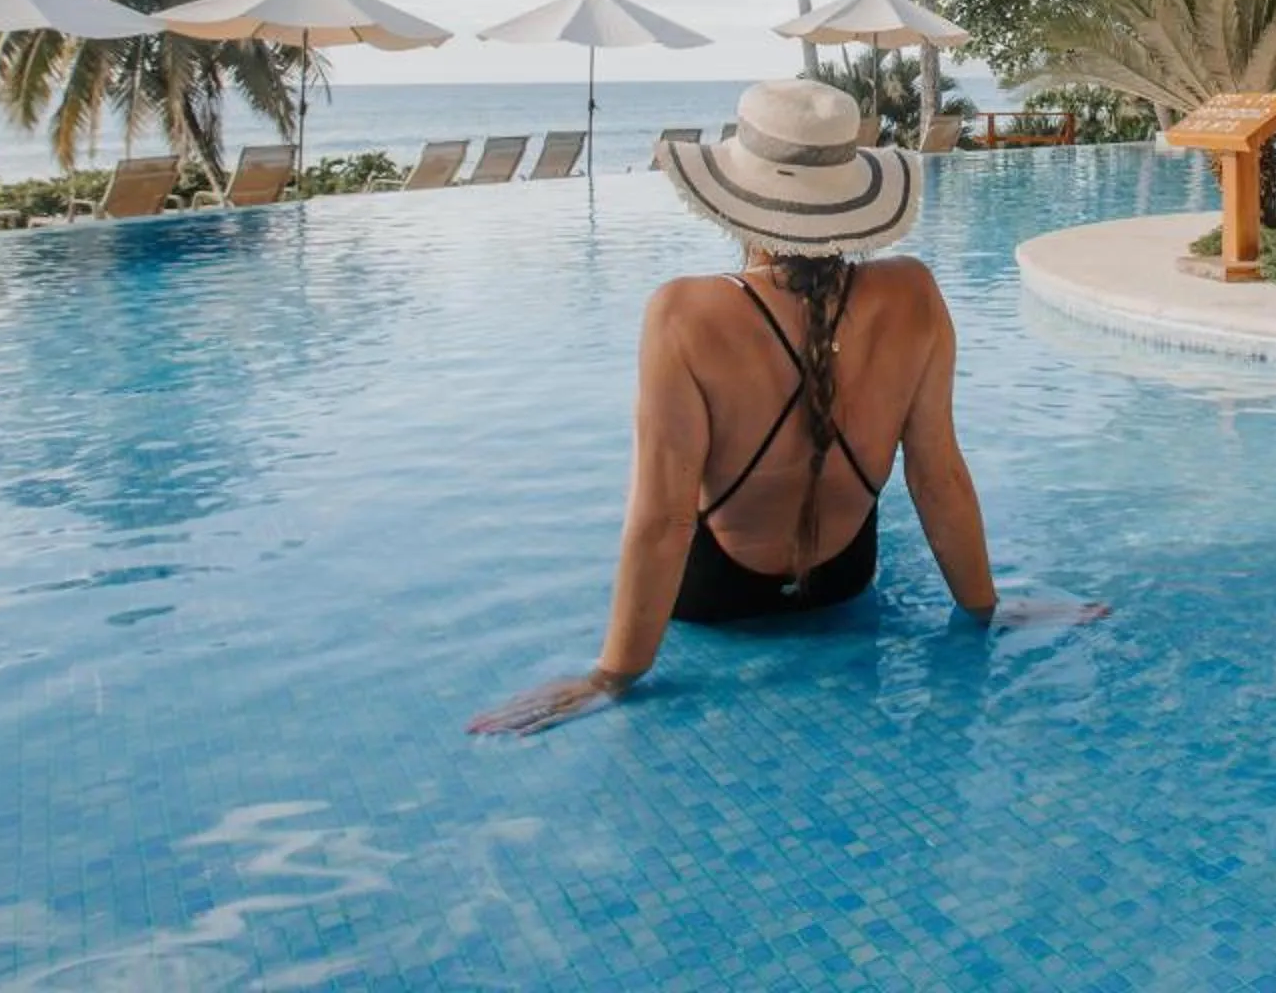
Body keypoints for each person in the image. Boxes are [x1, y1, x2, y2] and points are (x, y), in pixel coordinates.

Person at [470, 78, 1101, 737]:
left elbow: (662, 521)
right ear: (849, 194)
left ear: (736, 199)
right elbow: (936, 476)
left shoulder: (682, 314)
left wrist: (613, 674)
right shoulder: (914, 294)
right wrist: (984, 608)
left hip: (716, 600)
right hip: (843, 581)